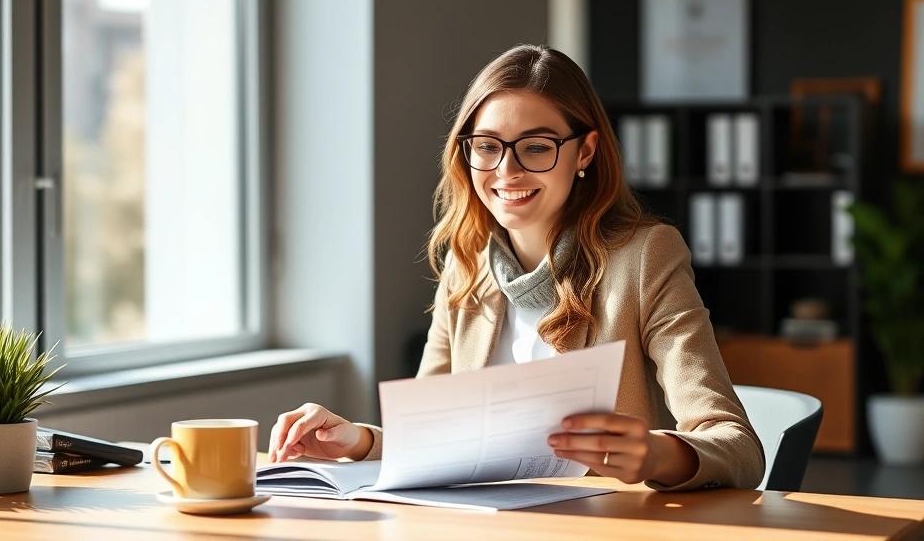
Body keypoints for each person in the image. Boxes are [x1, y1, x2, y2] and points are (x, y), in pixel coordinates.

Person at [268, 44, 765, 491]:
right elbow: (428, 436)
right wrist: (354, 439)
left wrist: (658, 453)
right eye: (487, 146)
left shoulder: (644, 257)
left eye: (536, 146)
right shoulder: (467, 268)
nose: (507, 171)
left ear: (584, 151)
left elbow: (738, 446)